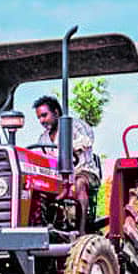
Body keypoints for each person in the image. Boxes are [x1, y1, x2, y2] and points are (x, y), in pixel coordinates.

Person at [32, 95, 100, 228]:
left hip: (83, 171)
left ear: (56, 113)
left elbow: (87, 141)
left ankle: (81, 230)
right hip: (55, 177)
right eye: (39, 117)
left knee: (79, 183)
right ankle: (42, 225)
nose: (42, 120)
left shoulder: (75, 126)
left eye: (44, 115)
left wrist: (67, 148)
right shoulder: (43, 138)